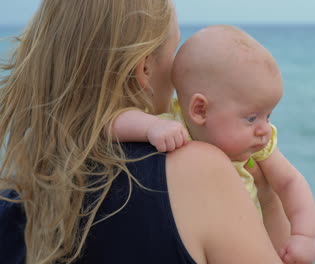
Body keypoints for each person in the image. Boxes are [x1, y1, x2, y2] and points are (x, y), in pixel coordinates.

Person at [0, 0, 284, 263]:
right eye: (173, 51)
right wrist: (268, 196)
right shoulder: (198, 168)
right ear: (144, 68)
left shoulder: (14, 199)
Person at [111, 25, 315, 264]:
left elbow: (291, 183)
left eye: (268, 115)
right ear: (200, 110)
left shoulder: (258, 144)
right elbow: (110, 123)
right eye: (251, 118)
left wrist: (304, 235)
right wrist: (150, 127)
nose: (264, 129)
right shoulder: (174, 125)